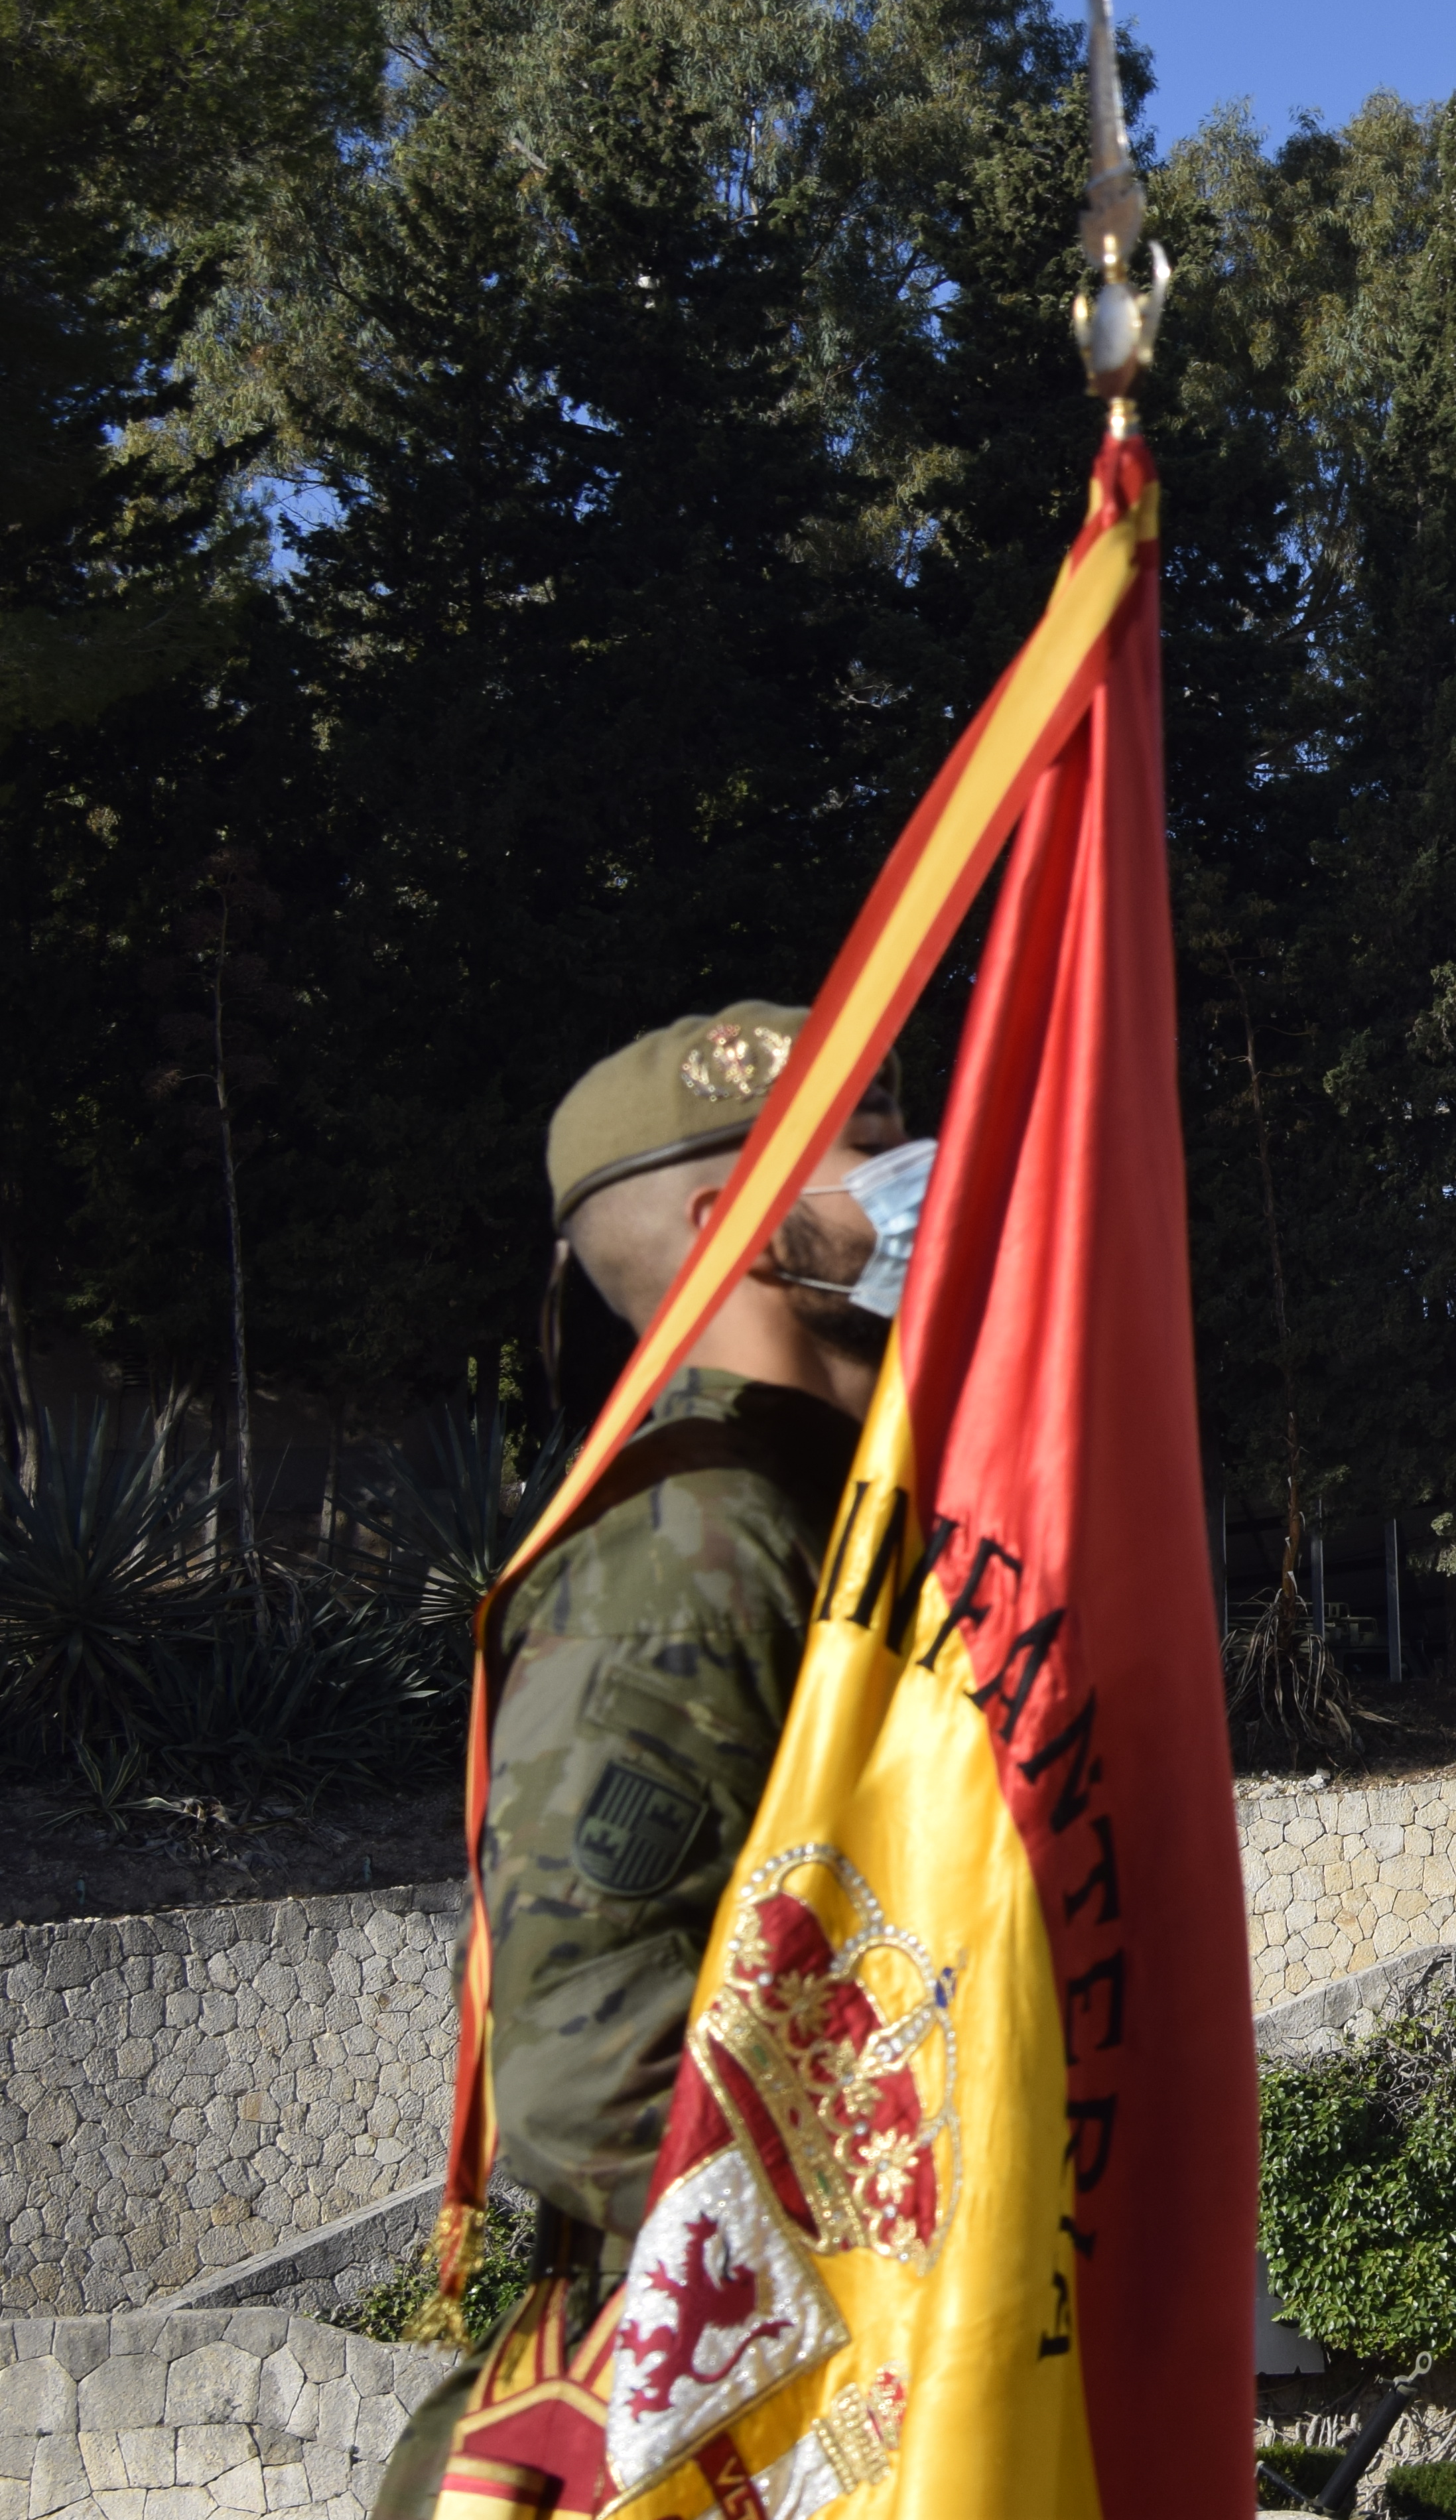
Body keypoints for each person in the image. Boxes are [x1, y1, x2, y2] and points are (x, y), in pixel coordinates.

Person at [377, 1003, 923, 2519]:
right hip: (726, 2427)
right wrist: (916, 2277)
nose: (921, 1187)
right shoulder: (687, 1548)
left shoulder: (836, 1512)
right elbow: (589, 2060)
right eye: (873, 1157)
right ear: (737, 1225)